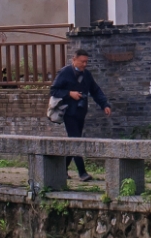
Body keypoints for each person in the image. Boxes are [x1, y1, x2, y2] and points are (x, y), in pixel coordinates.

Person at [46, 49, 110, 179]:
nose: (84, 64)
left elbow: (95, 90)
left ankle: (61, 170)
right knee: (76, 140)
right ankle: (82, 173)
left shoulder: (87, 75)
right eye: (82, 62)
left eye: (86, 62)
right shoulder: (65, 72)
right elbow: (53, 90)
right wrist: (69, 93)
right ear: (74, 60)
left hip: (81, 112)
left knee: (73, 140)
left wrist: (105, 105)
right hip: (69, 112)